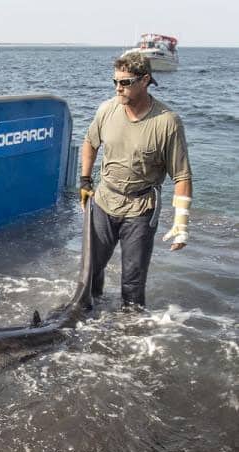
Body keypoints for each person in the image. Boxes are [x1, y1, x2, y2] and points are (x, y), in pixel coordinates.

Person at [80, 51, 193, 311]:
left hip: (141, 210)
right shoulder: (107, 110)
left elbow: (182, 175)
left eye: (125, 82)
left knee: (132, 282)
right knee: (89, 272)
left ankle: (130, 336)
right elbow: (90, 142)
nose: (118, 88)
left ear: (145, 80)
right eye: (115, 82)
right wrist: (85, 182)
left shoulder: (167, 122)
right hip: (104, 201)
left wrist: (181, 222)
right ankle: (87, 320)